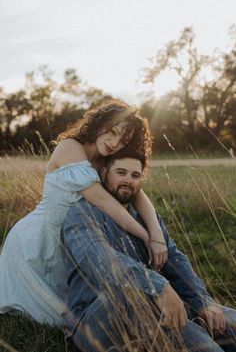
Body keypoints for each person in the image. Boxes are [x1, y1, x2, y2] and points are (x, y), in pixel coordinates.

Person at [0, 99, 168, 326]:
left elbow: (138, 194)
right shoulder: (70, 147)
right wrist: (144, 235)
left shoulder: (104, 159)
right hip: (37, 243)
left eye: (123, 140)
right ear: (100, 123)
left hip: (73, 240)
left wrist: (156, 234)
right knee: (53, 319)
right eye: (112, 131)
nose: (114, 142)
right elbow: (101, 201)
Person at [62, 148, 236, 352]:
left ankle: (201, 324)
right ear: (103, 174)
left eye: (135, 175)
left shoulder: (145, 218)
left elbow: (174, 259)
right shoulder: (81, 214)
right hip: (94, 318)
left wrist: (203, 302)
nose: (128, 180)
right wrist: (158, 285)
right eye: (121, 172)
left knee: (224, 320)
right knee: (137, 295)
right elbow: (99, 262)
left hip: (151, 307)